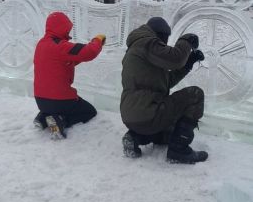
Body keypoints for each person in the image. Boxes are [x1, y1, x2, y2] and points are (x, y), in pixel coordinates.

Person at [120, 17, 208, 164]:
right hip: (149, 112)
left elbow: (166, 81)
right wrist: (186, 41)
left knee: (169, 132)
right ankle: (179, 150)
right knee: (195, 94)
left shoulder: (136, 50)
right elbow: (176, 59)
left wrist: (189, 62)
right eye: (165, 39)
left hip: (133, 116)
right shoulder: (147, 42)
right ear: (160, 34)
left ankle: (134, 137)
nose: (165, 44)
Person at [33, 11, 106, 139]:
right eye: (67, 29)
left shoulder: (41, 44)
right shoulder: (60, 46)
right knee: (89, 111)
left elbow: (61, 62)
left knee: (50, 107)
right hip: (60, 100)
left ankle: (43, 118)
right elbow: (89, 52)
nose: (68, 32)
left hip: (40, 100)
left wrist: (78, 58)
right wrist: (97, 40)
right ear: (61, 28)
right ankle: (61, 121)